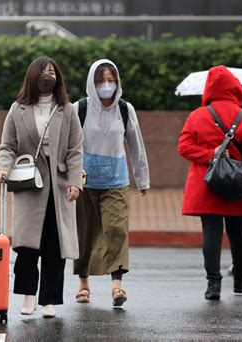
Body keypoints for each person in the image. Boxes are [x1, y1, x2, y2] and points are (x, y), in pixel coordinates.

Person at [0, 56, 83, 318]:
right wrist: (2, 167)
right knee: (26, 247)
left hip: (59, 185)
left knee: (55, 247)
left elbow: (75, 149)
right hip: (28, 183)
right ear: (33, 76)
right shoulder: (17, 109)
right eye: (44, 71)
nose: (49, 76)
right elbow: (7, 145)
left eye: (53, 72)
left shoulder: (67, 110)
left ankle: (49, 301)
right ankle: (28, 296)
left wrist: (75, 182)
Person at [178, 65, 242, 300]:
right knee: (238, 232)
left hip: (207, 184)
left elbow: (184, 147)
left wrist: (211, 154)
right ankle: (240, 279)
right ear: (235, 87)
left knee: (211, 231)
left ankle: (213, 284)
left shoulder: (197, 116)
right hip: (237, 185)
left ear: (208, 88)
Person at [73, 59, 150, 308]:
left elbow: (136, 145)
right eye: (101, 81)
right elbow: (68, 146)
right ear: (91, 84)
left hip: (116, 180)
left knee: (116, 229)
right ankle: (83, 283)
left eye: (111, 80)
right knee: (85, 233)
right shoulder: (79, 109)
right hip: (84, 182)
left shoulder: (125, 110)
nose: (106, 86)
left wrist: (142, 179)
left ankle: (117, 284)